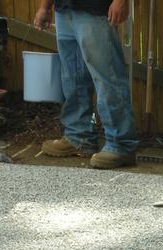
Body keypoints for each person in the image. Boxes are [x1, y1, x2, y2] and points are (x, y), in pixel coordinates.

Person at [34, 0, 139, 169]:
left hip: (95, 10)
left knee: (108, 78)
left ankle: (121, 145)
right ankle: (79, 137)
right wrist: (44, 7)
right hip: (64, 10)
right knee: (73, 78)